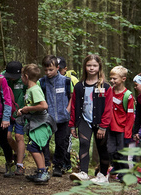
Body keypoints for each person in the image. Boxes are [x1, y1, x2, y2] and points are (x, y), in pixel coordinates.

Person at [68, 54, 112, 184]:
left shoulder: (106, 86)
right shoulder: (79, 86)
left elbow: (108, 108)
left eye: (94, 65)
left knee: (102, 148)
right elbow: (74, 106)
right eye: (89, 65)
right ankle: (84, 172)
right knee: (84, 144)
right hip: (84, 120)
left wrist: (103, 126)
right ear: (85, 67)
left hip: (100, 122)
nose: (91, 68)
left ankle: (103, 175)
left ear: (99, 67)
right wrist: (72, 125)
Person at [15, 64, 54, 185]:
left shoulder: (34, 89)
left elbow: (44, 105)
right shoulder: (30, 89)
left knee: (33, 147)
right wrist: (24, 110)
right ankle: (41, 171)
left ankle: (42, 171)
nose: (21, 78)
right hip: (35, 123)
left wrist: (27, 109)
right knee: (37, 147)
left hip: (41, 124)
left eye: (22, 75)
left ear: (26, 76)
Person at [39, 55, 73, 177]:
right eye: (46, 70)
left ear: (57, 68)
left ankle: (58, 165)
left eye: (51, 70)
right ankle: (45, 164)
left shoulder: (66, 81)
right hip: (47, 118)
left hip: (63, 118)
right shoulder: (42, 82)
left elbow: (71, 97)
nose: (48, 72)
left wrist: (67, 109)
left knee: (61, 142)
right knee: (44, 142)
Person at [104, 65, 134, 182]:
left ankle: (124, 175)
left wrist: (128, 133)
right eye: (111, 78)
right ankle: (116, 169)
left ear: (123, 79)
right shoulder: (109, 92)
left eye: (114, 78)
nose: (112, 81)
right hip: (110, 128)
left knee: (122, 153)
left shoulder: (128, 96)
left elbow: (130, 116)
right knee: (111, 151)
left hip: (122, 129)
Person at [4, 61, 26, 176]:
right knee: (7, 136)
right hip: (7, 112)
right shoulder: (3, 77)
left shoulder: (24, 79)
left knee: (19, 136)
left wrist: (25, 109)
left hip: (20, 113)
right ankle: (18, 152)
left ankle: (20, 165)